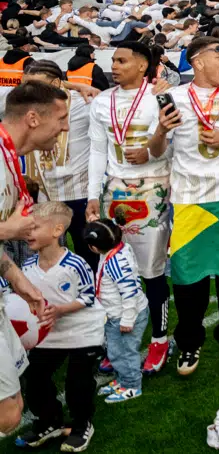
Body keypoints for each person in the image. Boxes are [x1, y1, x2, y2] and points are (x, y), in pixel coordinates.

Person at [148, 35, 219, 375]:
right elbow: (157, 151)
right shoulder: (174, 97)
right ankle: (189, 345)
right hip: (187, 202)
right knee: (187, 282)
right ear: (197, 61)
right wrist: (160, 130)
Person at [85, 40, 173, 375]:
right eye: (113, 61)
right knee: (114, 270)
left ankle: (159, 340)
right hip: (114, 192)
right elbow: (97, 151)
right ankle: (119, 342)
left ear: (141, 65)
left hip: (153, 188)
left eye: (122, 61)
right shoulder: (103, 101)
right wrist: (94, 194)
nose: (114, 66)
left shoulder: (161, 96)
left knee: (151, 271)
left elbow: (172, 145)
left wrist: (150, 154)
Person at [0, 81, 68, 434]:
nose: (66, 127)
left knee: (11, 410)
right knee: (8, 413)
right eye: (61, 118)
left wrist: (20, 282)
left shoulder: (9, 158)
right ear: (31, 118)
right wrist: (8, 231)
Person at [14, 202, 105, 452]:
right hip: (48, 332)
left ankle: (81, 424)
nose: (28, 233)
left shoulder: (75, 264)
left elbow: (88, 296)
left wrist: (61, 309)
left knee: (78, 382)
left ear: (57, 231)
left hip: (82, 331)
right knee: (35, 378)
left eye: (34, 227)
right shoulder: (27, 267)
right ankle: (49, 421)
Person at [16, 61, 93, 267]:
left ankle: (93, 295)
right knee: (47, 254)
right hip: (43, 191)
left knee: (87, 250)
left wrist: (77, 88)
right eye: (26, 85)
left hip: (77, 190)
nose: (29, 91)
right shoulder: (23, 106)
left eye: (35, 86)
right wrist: (74, 84)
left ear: (56, 82)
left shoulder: (83, 104)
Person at [89, 218, 147, 404]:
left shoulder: (116, 263)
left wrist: (128, 320)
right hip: (116, 314)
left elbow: (130, 292)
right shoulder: (118, 250)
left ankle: (131, 385)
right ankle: (123, 379)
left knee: (125, 352)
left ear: (95, 247)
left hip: (124, 316)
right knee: (115, 351)